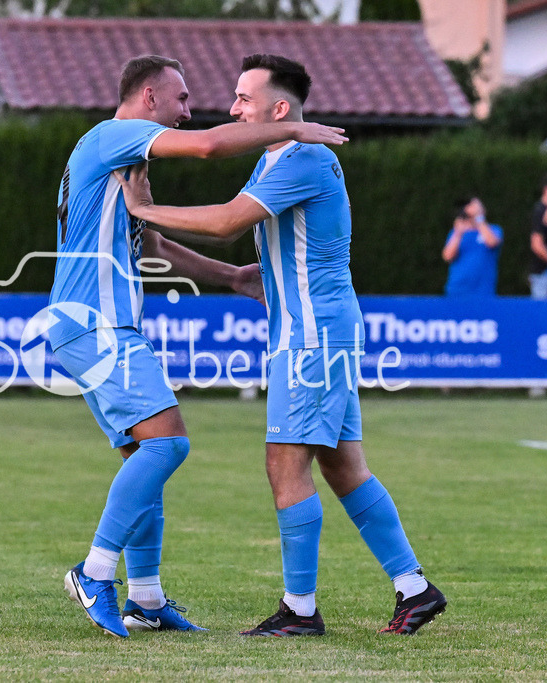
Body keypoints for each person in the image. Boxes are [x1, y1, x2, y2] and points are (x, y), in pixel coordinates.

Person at [115, 53, 446, 636]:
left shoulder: (303, 157)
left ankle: (299, 610)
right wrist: (163, 246)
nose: (233, 107)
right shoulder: (278, 159)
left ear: (280, 109)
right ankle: (414, 589)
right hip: (318, 331)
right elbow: (238, 240)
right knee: (345, 468)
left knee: (284, 464)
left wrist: (142, 209)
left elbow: (226, 222)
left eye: (244, 98)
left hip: (311, 336)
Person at [53, 54, 348, 638]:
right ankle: (94, 573)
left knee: (146, 456)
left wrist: (232, 277)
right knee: (169, 445)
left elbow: (153, 243)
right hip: (97, 325)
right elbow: (213, 146)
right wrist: (291, 127)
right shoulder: (118, 135)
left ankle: (145, 597)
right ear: (150, 98)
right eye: (181, 98)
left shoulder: (119, 155)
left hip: (94, 326)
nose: (190, 111)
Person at [441, 196, 503, 297]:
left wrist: (478, 217)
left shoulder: (494, 229)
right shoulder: (456, 233)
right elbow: (447, 256)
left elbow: (492, 242)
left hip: (483, 291)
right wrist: (458, 233)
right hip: (457, 290)